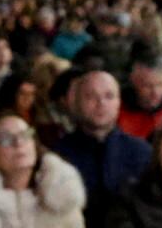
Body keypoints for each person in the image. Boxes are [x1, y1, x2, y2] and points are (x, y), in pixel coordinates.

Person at [49, 66, 151, 201]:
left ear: (118, 103)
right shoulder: (59, 156)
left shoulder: (142, 153)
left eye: (109, 96)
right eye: (91, 96)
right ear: (76, 102)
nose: (101, 103)